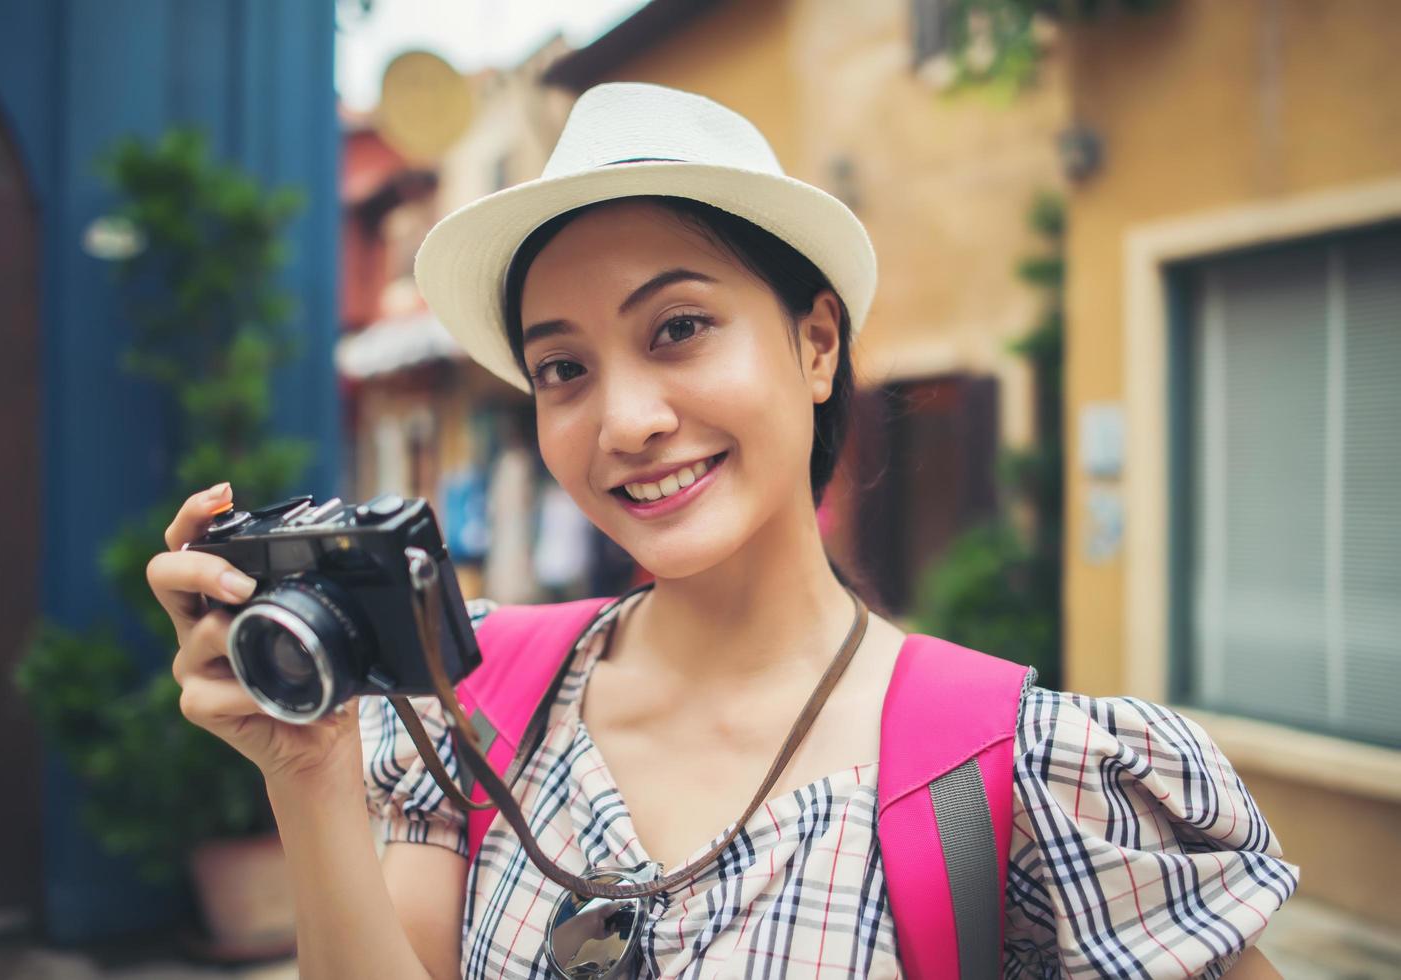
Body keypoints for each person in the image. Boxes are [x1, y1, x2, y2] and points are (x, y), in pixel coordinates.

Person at [148, 83, 1296, 978]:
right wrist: (307, 771)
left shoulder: (1021, 776)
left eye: (679, 326)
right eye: (563, 368)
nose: (627, 420)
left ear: (813, 345)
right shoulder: (476, 702)